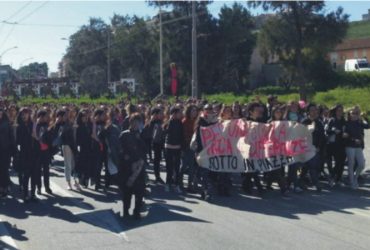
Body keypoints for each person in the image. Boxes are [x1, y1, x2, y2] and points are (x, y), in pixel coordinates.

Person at [118, 113, 147, 220]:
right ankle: (126, 211)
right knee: (127, 192)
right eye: (134, 122)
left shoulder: (142, 134)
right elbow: (119, 150)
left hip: (139, 167)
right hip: (127, 167)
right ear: (130, 122)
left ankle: (137, 211)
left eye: (138, 122)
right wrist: (127, 158)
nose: (136, 125)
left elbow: (146, 149)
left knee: (139, 192)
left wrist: (140, 138)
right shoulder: (124, 134)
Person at [300, 103, 325, 192]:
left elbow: (322, 137)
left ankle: (311, 182)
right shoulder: (304, 122)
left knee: (313, 166)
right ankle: (313, 182)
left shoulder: (319, 122)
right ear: (308, 112)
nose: (314, 112)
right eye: (312, 110)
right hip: (305, 148)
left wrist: (319, 147)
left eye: (315, 110)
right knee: (307, 166)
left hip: (315, 148)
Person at [343, 108, 369, 189]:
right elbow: (345, 136)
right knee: (351, 164)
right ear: (349, 115)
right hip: (349, 146)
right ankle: (352, 182)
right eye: (353, 113)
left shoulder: (360, 123)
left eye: (356, 113)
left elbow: (368, 126)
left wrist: (366, 118)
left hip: (358, 146)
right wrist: (354, 140)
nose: (355, 115)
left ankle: (355, 177)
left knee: (361, 164)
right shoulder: (346, 123)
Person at [242, 102, 264, 195]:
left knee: (253, 168)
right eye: (257, 110)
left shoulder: (260, 121)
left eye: (259, 110)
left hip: (257, 148)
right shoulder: (245, 121)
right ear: (251, 111)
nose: (259, 112)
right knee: (250, 168)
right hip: (247, 148)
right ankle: (258, 187)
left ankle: (248, 186)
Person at [17, 108, 38, 202]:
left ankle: (33, 194)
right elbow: (18, 141)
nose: (24, 115)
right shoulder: (19, 127)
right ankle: (25, 194)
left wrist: (35, 136)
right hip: (24, 154)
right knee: (26, 175)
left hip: (34, 153)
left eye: (26, 113)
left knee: (34, 175)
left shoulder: (33, 125)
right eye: (23, 114)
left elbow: (38, 139)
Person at [163, 107, 184, 193]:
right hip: (169, 146)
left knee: (177, 167)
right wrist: (169, 121)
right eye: (179, 112)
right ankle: (168, 184)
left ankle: (176, 184)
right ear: (174, 113)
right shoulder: (169, 122)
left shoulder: (180, 122)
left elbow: (181, 135)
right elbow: (165, 132)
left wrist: (182, 146)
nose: (181, 114)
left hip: (177, 147)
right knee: (169, 167)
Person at [325, 105, 346, 187]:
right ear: (335, 111)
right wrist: (333, 131)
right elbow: (326, 130)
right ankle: (332, 177)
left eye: (341, 110)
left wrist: (346, 134)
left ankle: (337, 179)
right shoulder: (331, 120)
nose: (340, 112)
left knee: (341, 162)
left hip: (342, 143)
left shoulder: (344, 120)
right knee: (337, 162)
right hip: (333, 144)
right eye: (338, 110)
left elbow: (346, 130)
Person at [179, 105, 198, 192]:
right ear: (188, 111)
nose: (194, 112)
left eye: (195, 111)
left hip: (194, 147)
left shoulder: (197, 121)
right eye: (192, 111)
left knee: (192, 167)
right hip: (186, 147)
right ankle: (179, 183)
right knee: (183, 166)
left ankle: (190, 185)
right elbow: (182, 136)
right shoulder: (184, 121)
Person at [34, 110, 53, 195]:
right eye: (45, 116)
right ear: (40, 117)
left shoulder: (47, 125)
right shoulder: (35, 126)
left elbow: (50, 138)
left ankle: (47, 187)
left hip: (46, 152)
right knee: (37, 171)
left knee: (46, 170)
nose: (47, 118)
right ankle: (38, 187)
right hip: (37, 152)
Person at [75, 109, 93, 188]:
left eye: (86, 116)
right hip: (81, 147)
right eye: (83, 116)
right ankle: (80, 179)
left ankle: (86, 179)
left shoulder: (89, 124)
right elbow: (75, 137)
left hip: (88, 146)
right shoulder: (77, 125)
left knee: (88, 164)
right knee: (80, 164)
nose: (85, 118)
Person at [0, 108, 15, 198]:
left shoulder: (7, 124)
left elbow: (12, 137)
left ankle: (5, 188)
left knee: (4, 169)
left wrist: (13, 150)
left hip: (5, 150)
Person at [150, 107, 165, 184]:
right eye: (161, 113)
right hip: (155, 144)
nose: (162, 114)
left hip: (160, 143)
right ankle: (157, 176)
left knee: (158, 160)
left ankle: (158, 176)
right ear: (155, 114)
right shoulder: (152, 122)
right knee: (156, 160)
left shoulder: (161, 121)